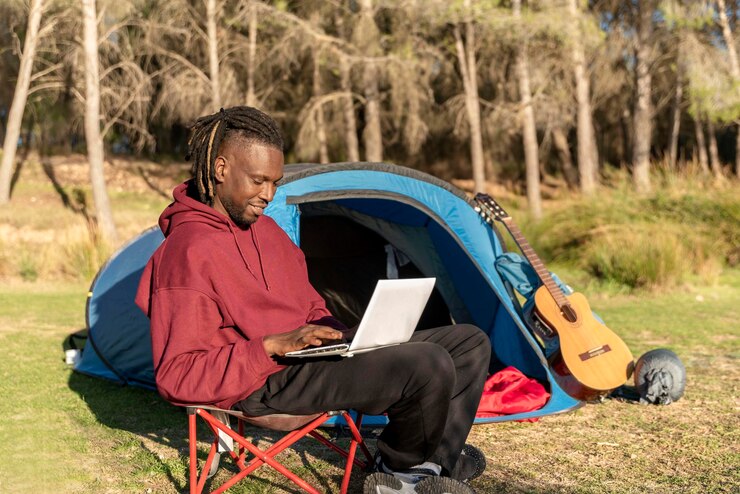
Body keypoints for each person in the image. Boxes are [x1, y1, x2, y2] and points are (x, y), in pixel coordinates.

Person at [135, 106, 491, 494]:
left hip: (309, 361)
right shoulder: (187, 252)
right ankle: (398, 477)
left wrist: (345, 334)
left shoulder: (267, 232)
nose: (268, 195)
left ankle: (431, 466)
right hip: (262, 380)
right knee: (425, 362)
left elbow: (311, 306)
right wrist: (270, 345)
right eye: (258, 181)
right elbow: (178, 375)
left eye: (275, 182)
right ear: (221, 169)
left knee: (468, 343)